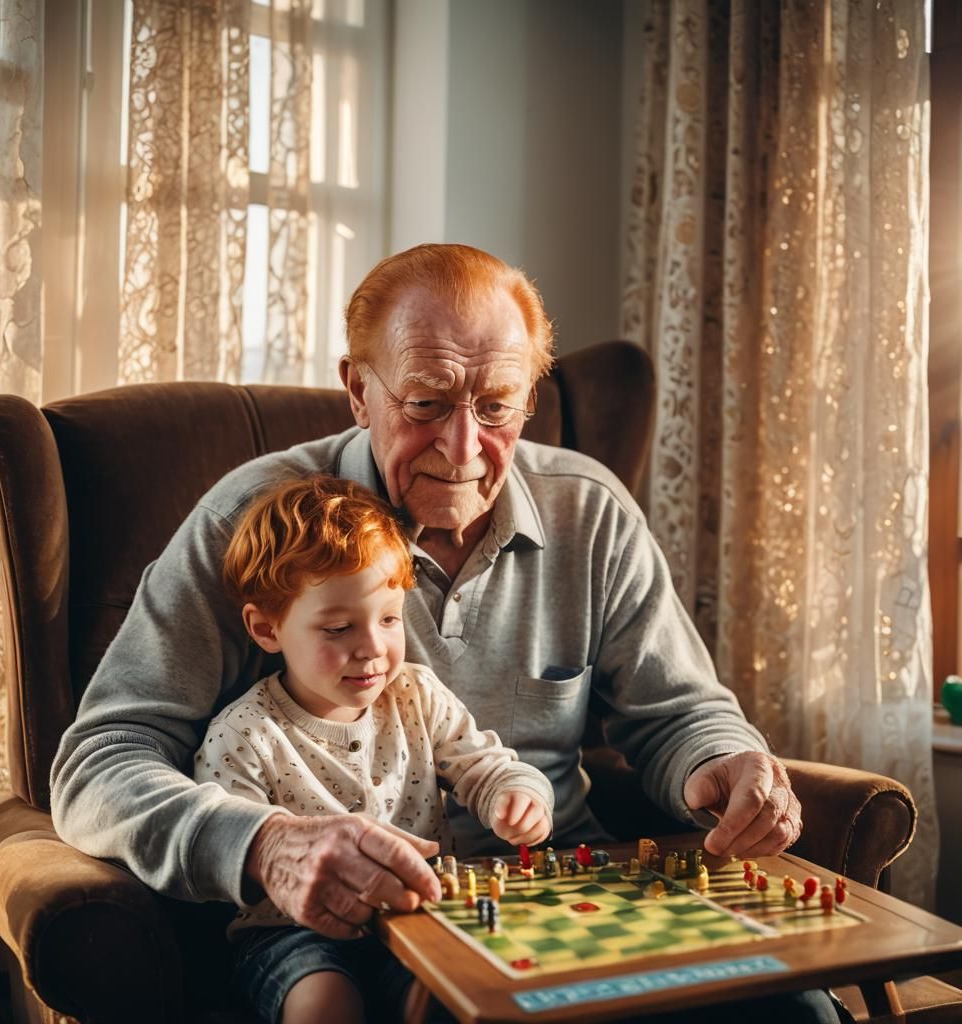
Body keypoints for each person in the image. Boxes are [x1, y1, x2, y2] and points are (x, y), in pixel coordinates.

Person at [52, 243, 833, 1021]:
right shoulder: (254, 523)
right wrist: (264, 845)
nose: (464, 450)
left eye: (497, 405)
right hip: (361, 934)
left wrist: (720, 763)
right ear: (359, 390)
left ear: (530, 396)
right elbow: (100, 764)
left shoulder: (590, 512)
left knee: (801, 1008)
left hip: (559, 896)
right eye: (425, 403)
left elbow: (683, 715)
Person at [194, 474, 552, 1022]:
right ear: (267, 629)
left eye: (389, 619)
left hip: (417, 916)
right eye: (337, 628)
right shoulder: (243, 734)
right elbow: (230, 857)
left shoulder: (416, 694)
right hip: (291, 934)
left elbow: (485, 765)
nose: (372, 648)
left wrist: (517, 793)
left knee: (455, 992)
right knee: (325, 1004)